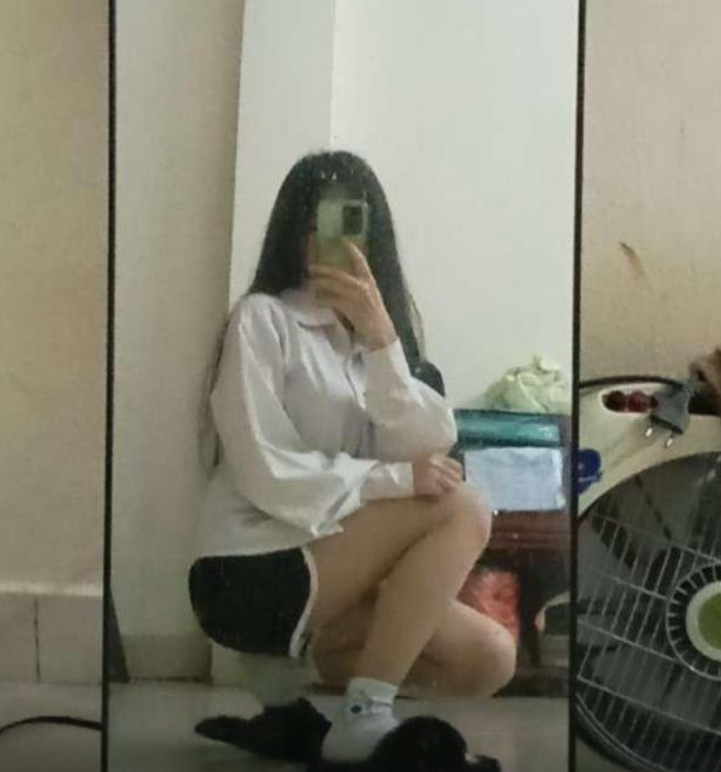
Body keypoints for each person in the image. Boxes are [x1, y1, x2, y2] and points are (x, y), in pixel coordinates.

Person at [188, 151, 516, 769]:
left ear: (375, 237)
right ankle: (365, 714)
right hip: (249, 573)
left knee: (489, 659)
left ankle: (304, 709)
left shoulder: (378, 344)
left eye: (352, 222)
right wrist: (391, 481)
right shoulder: (262, 320)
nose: (335, 242)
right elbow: (264, 468)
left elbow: (429, 447)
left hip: (335, 573)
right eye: (319, 221)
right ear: (294, 231)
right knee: (462, 507)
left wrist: (383, 340)